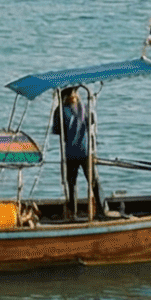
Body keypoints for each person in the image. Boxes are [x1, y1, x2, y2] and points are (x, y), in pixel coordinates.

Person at [52, 86, 99, 221]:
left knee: (71, 183)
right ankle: (100, 208)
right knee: (93, 181)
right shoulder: (85, 107)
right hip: (85, 150)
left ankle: (73, 211)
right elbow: (92, 121)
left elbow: (57, 130)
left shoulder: (60, 111)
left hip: (71, 152)